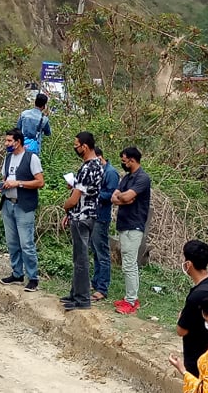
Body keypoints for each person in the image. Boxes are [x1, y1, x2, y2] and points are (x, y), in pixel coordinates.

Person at [60, 132, 104, 311]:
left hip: (81, 216)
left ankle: (82, 298)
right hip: (90, 214)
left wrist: (66, 207)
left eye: (76, 144)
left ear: (84, 146)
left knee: (80, 259)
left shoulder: (87, 168)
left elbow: (75, 198)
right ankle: (75, 293)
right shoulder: (98, 165)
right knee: (80, 256)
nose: (75, 148)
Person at [0, 128, 45, 292]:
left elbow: (40, 182)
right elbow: (5, 178)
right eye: (6, 140)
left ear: (18, 142)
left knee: (26, 243)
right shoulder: (8, 158)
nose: (7, 144)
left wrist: (19, 183)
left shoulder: (32, 158)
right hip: (8, 203)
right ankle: (17, 273)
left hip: (24, 205)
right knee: (12, 242)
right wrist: (2, 186)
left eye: (9, 141)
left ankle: (33, 277)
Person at [111, 146, 151, 315]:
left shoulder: (143, 178)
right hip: (124, 224)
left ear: (132, 160)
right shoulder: (127, 178)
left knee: (129, 264)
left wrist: (126, 197)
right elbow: (115, 197)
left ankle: (131, 301)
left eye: (124, 160)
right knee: (126, 262)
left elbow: (126, 196)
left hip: (134, 226)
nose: (123, 163)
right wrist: (125, 199)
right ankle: (129, 297)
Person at [176, 240, 208, 377]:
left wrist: (181, 317)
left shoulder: (195, 296)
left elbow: (181, 330)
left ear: (188, 264)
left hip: (196, 358)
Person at [91, 147, 119, 302]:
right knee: (95, 251)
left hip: (101, 216)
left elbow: (112, 194)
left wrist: (93, 192)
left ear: (100, 157)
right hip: (92, 214)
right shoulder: (95, 171)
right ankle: (95, 281)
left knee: (102, 253)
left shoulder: (110, 173)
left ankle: (102, 288)